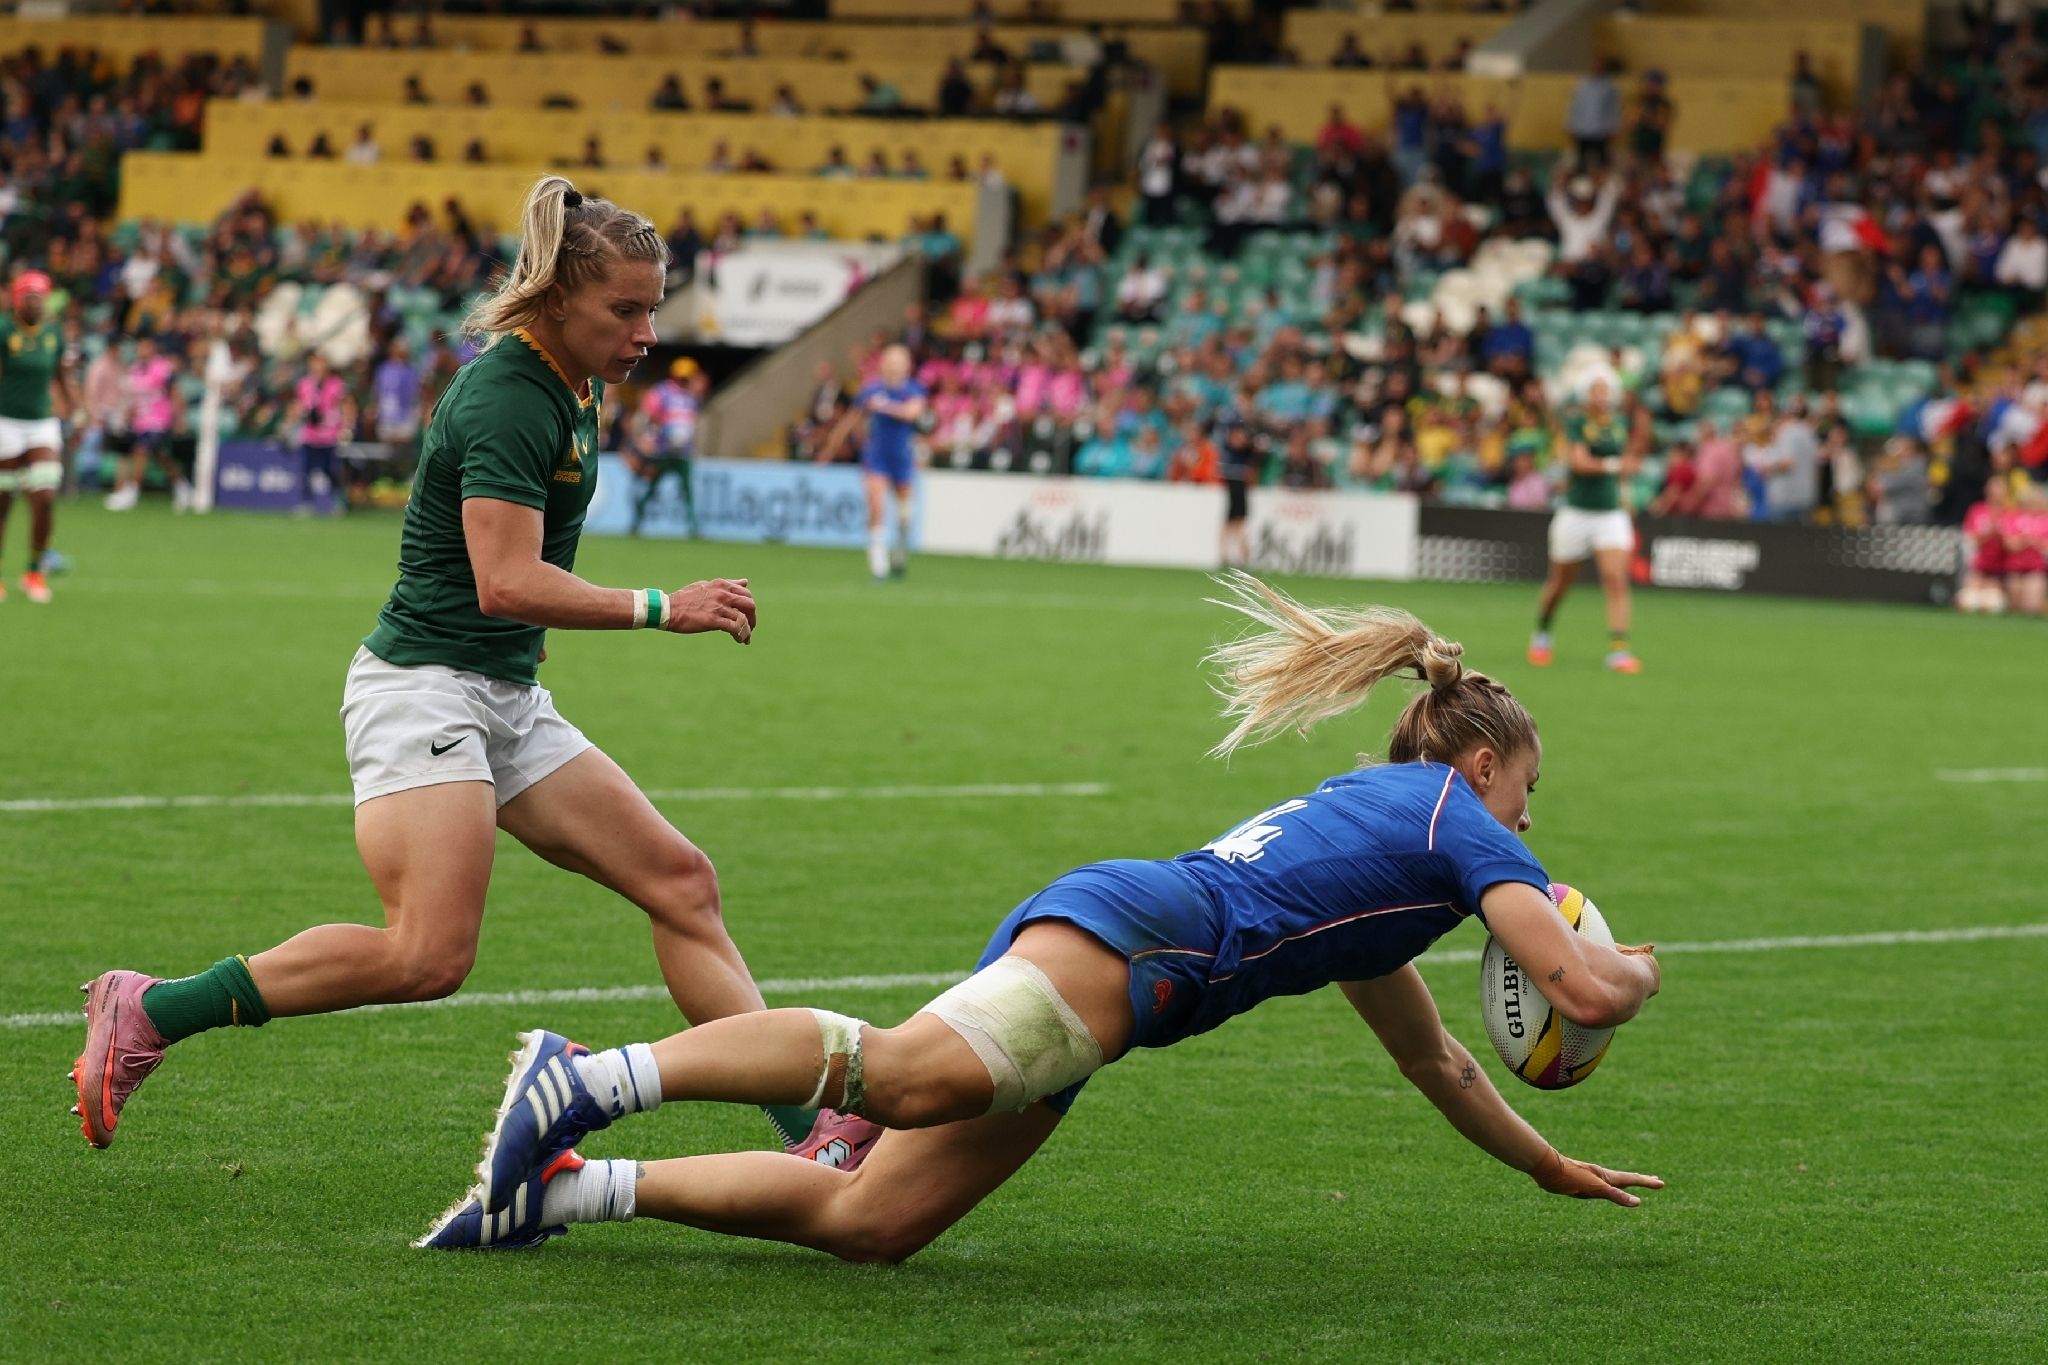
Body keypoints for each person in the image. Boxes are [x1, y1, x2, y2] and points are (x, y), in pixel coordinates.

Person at [416, 575, 1664, 1256]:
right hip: (1134, 947)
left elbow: (1433, 1056)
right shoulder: (1451, 818)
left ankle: (565, 1193)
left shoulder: (1392, 851)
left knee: (874, 1220)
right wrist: (1633, 969)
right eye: (1528, 792)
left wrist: (1543, 1165)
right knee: (895, 1079)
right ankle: (582, 1082)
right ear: (1486, 763)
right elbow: (1587, 992)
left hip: (1128, 963)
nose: (1529, 824)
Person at [71, 176, 857, 1173]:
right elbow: (504, 582)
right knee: (427, 958)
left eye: (652, 307)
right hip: (423, 689)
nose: (645, 331)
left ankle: (811, 1133)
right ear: (559, 299)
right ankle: (150, 1007)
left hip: (502, 695)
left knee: (681, 884)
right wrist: (665, 606)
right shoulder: (505, 397)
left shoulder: (578, 383)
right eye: (625, 308)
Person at [1528, 380, 1640, 673]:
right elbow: (1579, 463)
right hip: (1576, 512)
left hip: (1609, 513)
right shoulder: (1577, 424)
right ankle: (1543, 633)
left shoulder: (1619, 426)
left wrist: (1626, 496)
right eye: (1596, 392)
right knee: (1560, 583)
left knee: (1615, 578)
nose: (1601, 398)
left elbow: (1627, 467)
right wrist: (1615, 466)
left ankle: (1619, 649)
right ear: (1588, 397)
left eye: (1605, 392)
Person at [0, 271, 77, 603]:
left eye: (41, 297)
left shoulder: (53, 334)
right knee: (3, 502)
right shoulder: (4, 331)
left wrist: (76, 408)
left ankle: (34, 571)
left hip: (41, 423)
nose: (36, 303)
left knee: (45, 497)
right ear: (17, 299)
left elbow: (61, 374)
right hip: (5, 422)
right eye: (30, 297)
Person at [844, 343, 925, 582]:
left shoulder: (913, 390)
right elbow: (853, 419)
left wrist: (885, 406)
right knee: (876, 507)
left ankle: (899, 554)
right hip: (876, 457)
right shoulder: (871, 390)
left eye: (899, 362)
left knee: (904, 517)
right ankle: (878, 566)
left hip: (902, 458)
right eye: (891, 362)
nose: (894, 366)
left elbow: (913, 413)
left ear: (907, 366)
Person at [102, 333, 190, 512]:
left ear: (153, 348)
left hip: (159, 420)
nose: (141, 350)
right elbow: (132, 398)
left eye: (145, 346)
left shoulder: (163, 368)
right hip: (139, 422)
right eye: (139, 346)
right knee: (159, 457)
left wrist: (180, 417)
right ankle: (182, 485)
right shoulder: (135, 370)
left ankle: (132, 492)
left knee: (140, 451)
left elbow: (175, 393)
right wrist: (126, 416)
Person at [627, 356, 705, 537]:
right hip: (663, 451)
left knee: (688, 491)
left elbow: (692, 423)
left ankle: (694, 528)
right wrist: (650, 437)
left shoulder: (691, 397)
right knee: (652, 488)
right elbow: (648, 416)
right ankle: (636, 522)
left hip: (683, 452)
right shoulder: (661, 392)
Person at [287, 350, 355, 514]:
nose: (317, 367)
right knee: (306, 471)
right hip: (309, 435)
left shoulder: (336, 385)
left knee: (332, 471)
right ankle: (306, 502)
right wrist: (292, 423)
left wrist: (347, 428)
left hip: (329, 436)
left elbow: (347, 406)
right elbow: (297, 406)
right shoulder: (304, 384)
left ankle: (338, 502)